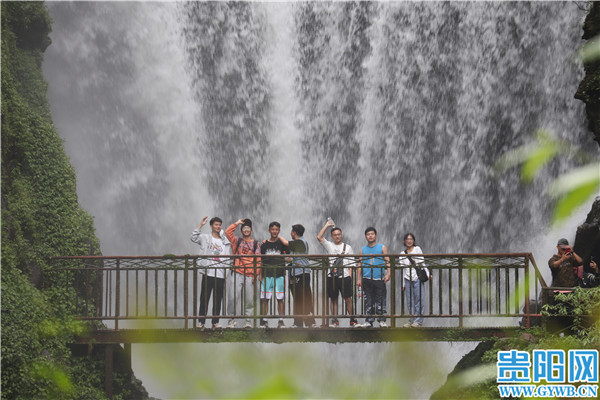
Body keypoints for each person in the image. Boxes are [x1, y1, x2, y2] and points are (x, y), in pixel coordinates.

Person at [190, 216, 231, 329]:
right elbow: (193, 237)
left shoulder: (224, 241)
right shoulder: (205, 238)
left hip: (220, 273)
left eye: (220, 225)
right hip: (208, 272)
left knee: (217, 299)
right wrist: (200, 225)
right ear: (211, 226)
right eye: (216, 225)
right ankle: (201, 322)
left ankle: (215, 322)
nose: (218, 227)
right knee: (204, 297)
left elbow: (227, 254)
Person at [317, 219, 357, 327]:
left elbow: (351, 264)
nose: (337, 236)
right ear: (331, 236)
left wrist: (350, 277)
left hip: (345, 276)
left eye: (339, 234)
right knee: (333, 299)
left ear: (342, 235)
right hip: (332, 277)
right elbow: (319, 237)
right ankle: (334, 320)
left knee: (348, 298)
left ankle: (353, 319)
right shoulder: (329, 245)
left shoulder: (348, 247)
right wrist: (326, 225)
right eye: (335, 235)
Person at [225, 218, 262, 328]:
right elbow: (227, 232)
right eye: (244, 228)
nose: (246, 230)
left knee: (249, 299)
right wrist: (237, 223)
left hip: (250, 275)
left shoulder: (256, 243)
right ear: (241, 231)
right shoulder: (237, 241)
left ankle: (248, 321)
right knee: (232, 297)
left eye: (248, 228)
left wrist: (256, 274)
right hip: (237, 273)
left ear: (251, 231)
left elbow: (258, 260)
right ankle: (231, 320)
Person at [357, 227, 391, 328]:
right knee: (368, 300)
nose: (370, 236)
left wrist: (388, 273)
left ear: (375, 235)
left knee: (380, 300)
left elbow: (388, 261)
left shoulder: (382, 247)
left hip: (379, 278)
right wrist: (358, 278)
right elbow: (360, 264)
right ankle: (369, 321)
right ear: (366, 236)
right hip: (367, 278)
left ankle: (381, 320)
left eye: (372, 234)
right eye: (368, 234)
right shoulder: (362, 249)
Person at [259, 222, 289, 328]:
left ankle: (281, 321)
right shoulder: (264, 244)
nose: (274, 231)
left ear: (279, 231)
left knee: (280, 298)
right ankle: (264, 320)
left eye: (276, 229)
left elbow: (289, 251)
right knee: (265, 298)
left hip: (280, 274)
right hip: (267, 274)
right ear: (269, 230)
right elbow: (261, 260)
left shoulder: (282, 243)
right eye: (272, 229)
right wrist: (260, 274)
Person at [398, 233, 430, 328]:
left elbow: (422, 263)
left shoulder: (417, 249)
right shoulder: (402, 254)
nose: (409, 241)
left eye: (411, 239)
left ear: (414, 240)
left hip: (417, 277)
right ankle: (411, 320)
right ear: (404, 241)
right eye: (407, 239)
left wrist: (428, 273)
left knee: (419, 299)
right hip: (407, 279)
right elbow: (403, 270)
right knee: (409, 300)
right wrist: (403, 283)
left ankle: (418, 321)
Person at [288, 224, 317, 328]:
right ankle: (298, 322)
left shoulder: (301, 242)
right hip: (294, 273)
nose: (290, 233)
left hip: (302, 273)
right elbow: (290, 258)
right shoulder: (296, 244)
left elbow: (286, 244)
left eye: (291, 231)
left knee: (305, 297)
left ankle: (310, 322)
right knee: (297, 299)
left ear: (294, 232)